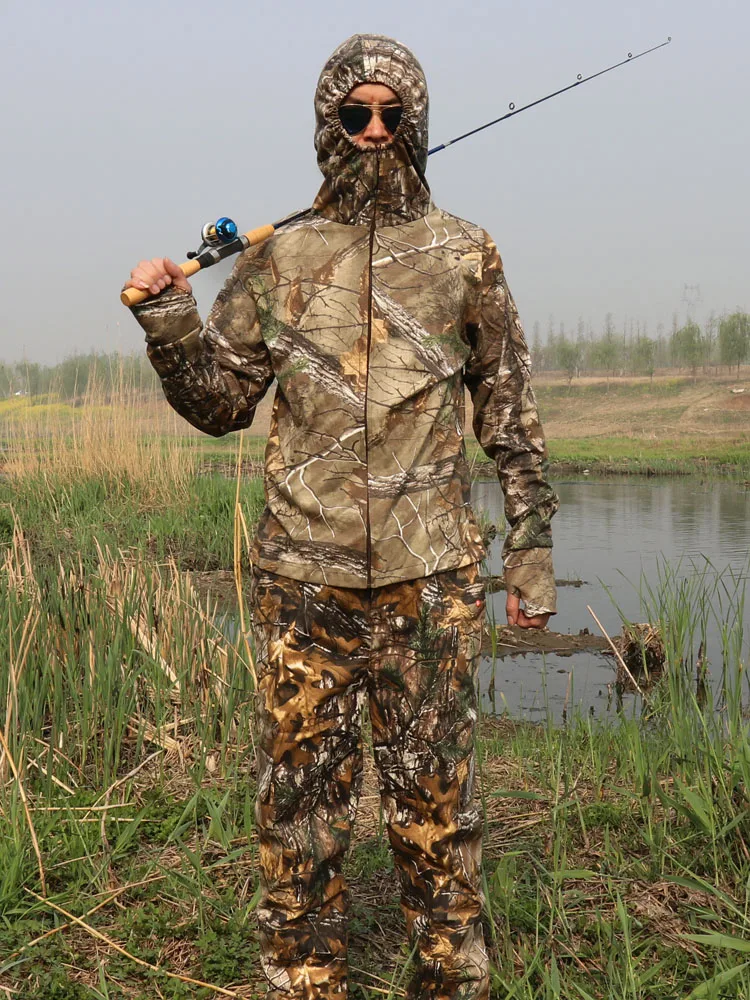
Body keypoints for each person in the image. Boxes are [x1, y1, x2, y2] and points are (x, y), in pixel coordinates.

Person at [124, 33, 559, 1000]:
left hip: (432, 582)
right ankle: (302, 974)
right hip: (304, 584)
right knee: (299, 800)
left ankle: (451, 975)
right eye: (353, 115)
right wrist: (168, 321)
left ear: (417, 126)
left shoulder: (464, 254)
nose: (372, 133)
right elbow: (219, 405)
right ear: (326, 126)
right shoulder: (279, 262)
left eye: (391, 116)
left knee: (436, 798)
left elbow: (511, 418)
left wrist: (528, 559)